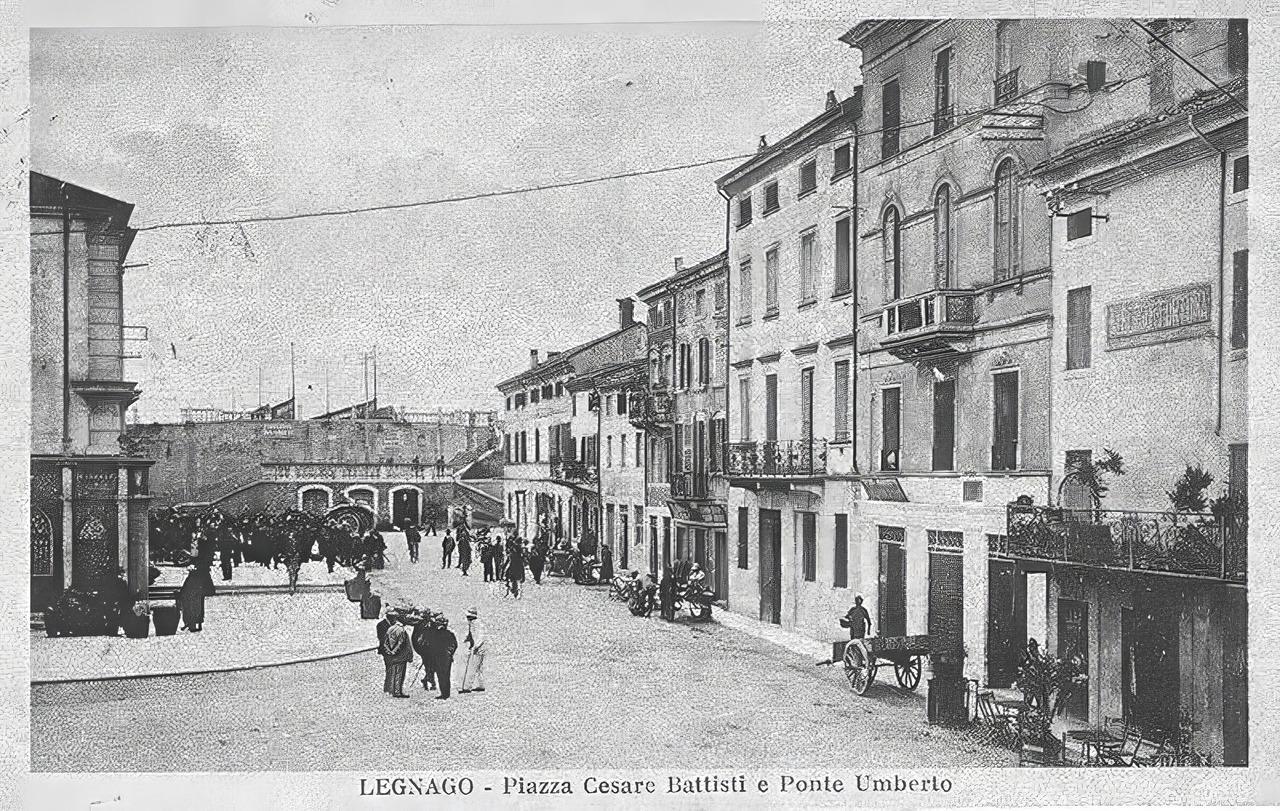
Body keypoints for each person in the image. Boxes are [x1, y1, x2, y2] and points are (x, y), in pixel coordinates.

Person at [426, 613, 458, 700]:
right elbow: (454, 645)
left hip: (439, 658)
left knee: (441, 676)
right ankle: (446, 694)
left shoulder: (434, 634)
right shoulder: (450, 634)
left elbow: (430, 645)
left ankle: (444, 694)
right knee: (446, 676)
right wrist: (449, 653)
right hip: (446, 658)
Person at [380, 612, 412, 698]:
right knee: (399, 674)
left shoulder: (390, 628)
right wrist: (394, 651)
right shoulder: (402, 630)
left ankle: (390, 690)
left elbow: (385, 642)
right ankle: (397, 692)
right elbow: (400, 643)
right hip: (400, 656)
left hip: (391, 656)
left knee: (392, 673)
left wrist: (389, 651)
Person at [459, 606, 487, 694]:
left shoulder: (478, 624)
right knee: (478, 668)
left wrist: (475, 646)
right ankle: (481, 685)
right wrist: (467, 639)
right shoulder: (472, 624)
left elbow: (481, 637)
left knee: (472, 667)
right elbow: (471, 634)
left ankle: (467, 687)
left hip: (479, 649)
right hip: (478, 648)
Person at [410, 614, 435, 692]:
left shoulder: (429, 624)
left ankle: (430, 680)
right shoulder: (420, 624)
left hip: (427, 648)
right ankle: (429, 680)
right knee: (429, 664)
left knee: (430, 665)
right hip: (425, 648)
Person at [178, 566, 206, 632]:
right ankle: (193, 625)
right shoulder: (198, 578)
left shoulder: (192, 578)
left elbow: (185, 588)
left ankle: (191, 625)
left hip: (191, 597)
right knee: (197, 610)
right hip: (196, 596)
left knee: (190, 610)